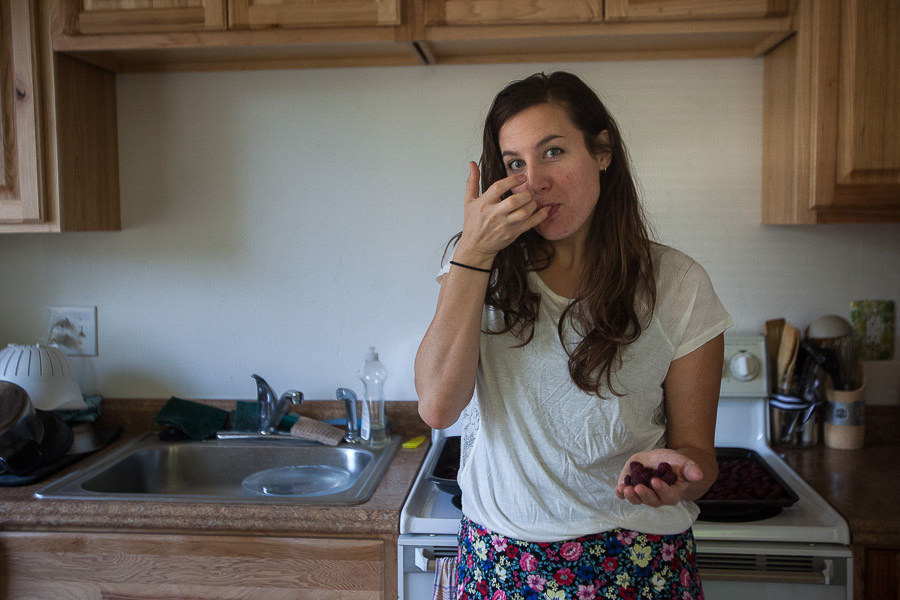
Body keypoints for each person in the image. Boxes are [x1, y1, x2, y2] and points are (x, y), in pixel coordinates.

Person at [415, 71, 733, 600]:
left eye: (554, 152)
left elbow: (699, 455)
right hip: (501, 565)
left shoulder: (678, 283)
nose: (534, 181)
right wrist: (473, 251)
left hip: (638, 565)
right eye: (515, 163)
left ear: (602, 151)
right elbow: (438, 408)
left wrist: (677, 477)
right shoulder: (478, 266)